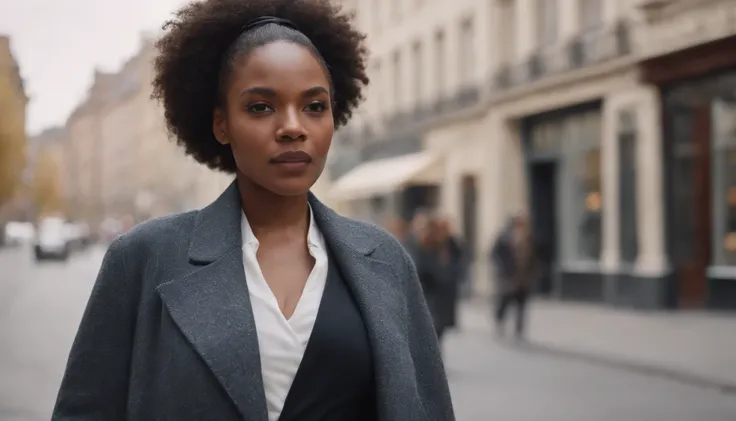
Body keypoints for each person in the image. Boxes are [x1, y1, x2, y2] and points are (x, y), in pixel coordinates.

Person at [51, 1, 454, 420]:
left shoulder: (384, 260)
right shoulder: (143, 258)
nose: (293, 126)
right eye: (261, 107)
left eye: (315, 106)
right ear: (220, 124)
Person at [490, 212, 539, 338]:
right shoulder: (504, 238)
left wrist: (532, 272)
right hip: (509, 276)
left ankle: (519, 329)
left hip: (523, 276)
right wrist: (503, 269)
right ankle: (499, 320)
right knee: (505, 301)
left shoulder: (529, 237)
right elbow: (495, 255)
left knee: (521, 303)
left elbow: (534, 256)